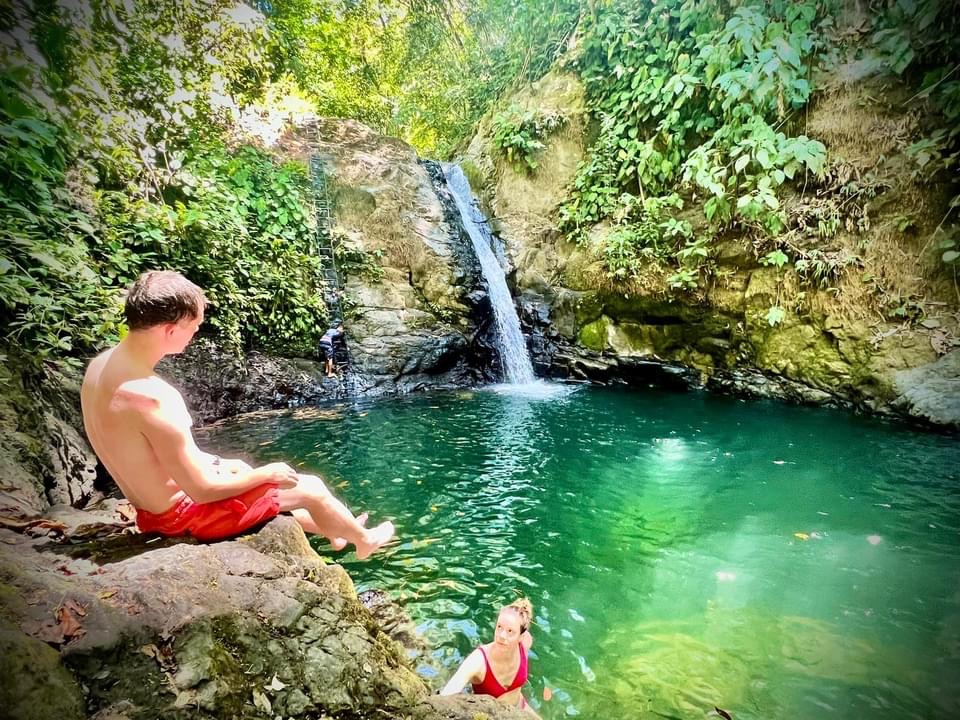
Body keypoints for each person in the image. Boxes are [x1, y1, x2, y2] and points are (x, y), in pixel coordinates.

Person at [80, 270, 394, 557]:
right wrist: (266, 473)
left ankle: (337, 531)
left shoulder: (100, 367)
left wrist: (226, 466)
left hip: (150, 510)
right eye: (195, 327)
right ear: (171, 330)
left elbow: (147, 453)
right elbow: (201, 492)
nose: (195, 335)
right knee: (309, 486)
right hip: (184, 518)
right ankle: (363, 541)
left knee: (239, 467)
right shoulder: (154, 398)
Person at [440, 598, 539, 716]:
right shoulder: (479, 660)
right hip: (490, 716)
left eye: (510, 631)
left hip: (520, 708)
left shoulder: (525, 642)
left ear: (520, 636)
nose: (502, 635)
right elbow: (446, 695)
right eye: (499, 627)